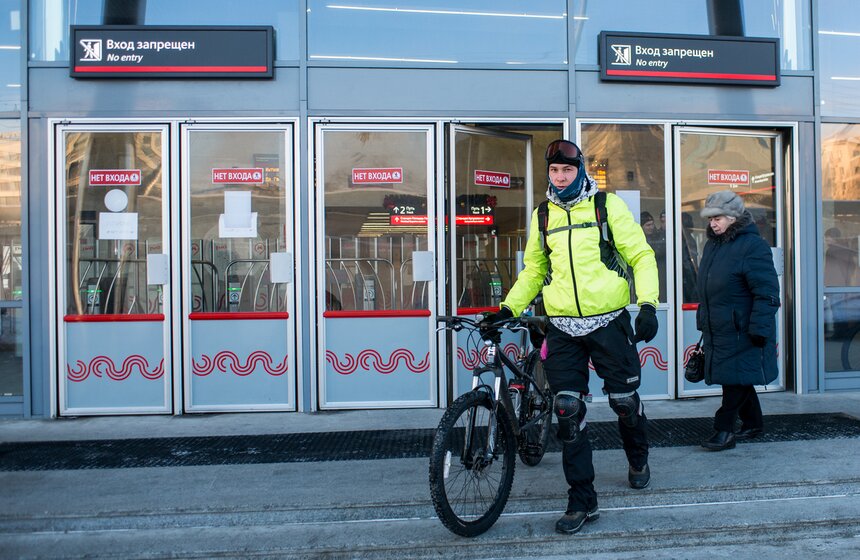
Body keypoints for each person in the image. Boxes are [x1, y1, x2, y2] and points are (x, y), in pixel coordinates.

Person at [480, 139, 660, 535]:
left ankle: (638, 457)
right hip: (562, 325)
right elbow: (534, 269)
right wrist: (509, 307)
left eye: (567, 170)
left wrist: (648, 303)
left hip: (609, 321)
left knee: (624, 402)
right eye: (554, 171)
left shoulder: (606, 207)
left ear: (580, 170)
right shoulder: (543, 215)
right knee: (566, 410)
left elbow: (641, 256)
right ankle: (582, 499)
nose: (560, 177)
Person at [696, 191, 780, 451]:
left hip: (744, 330)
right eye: (710, 219)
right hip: (721, 328)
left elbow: (767, 292)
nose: (713, 224)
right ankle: (753, 423)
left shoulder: (753, 246)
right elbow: (708, 290)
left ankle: (724, 430)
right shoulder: (713, 245)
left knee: (734, 382)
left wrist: (759, 328)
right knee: (736, 377)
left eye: (718, 218)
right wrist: (703, 320)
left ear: (733, 217)